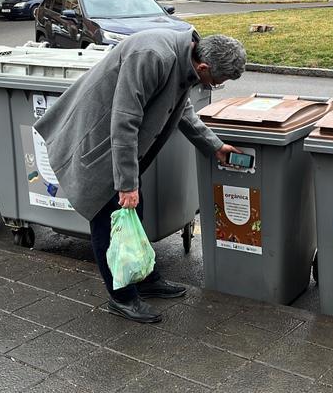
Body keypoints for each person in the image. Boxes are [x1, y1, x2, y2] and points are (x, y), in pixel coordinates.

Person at [34, 29, 246, 323]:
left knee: (134, 211)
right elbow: (124, 121)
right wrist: (126, 184)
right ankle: (121, 297)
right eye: (217, 82)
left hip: (119, 146)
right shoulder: (153, 56)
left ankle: (144, 278)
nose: (215, 85)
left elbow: (182, 110)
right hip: (97, 139)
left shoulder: (186, 56)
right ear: (204, 67)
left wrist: (215, 146)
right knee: (111, 219)